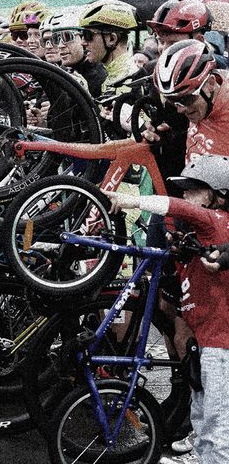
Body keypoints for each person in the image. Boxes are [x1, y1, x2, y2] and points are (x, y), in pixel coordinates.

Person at [105, 155, 229, 464]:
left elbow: (179, 208)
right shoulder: (200, 239)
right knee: (202, 418)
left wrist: (126, 199)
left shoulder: (217, 223)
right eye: (184, 190)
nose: (185, 196)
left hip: (221, 348)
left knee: (219, 428)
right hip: (206, 344)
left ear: (219, 196)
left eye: (193, 190)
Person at [79, 0, 140, 94]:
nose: (82, 42)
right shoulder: (109, 78)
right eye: (81, 35)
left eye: (88, 35)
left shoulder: (134, 82)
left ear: (112, 39)